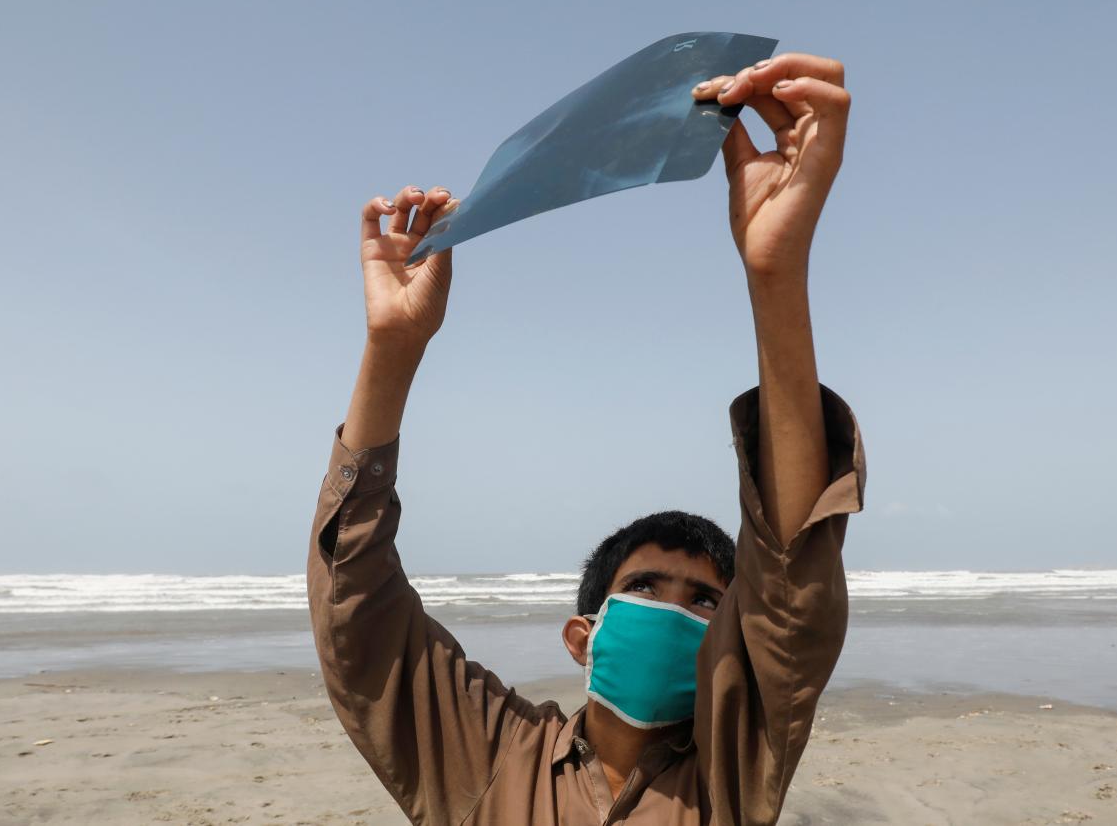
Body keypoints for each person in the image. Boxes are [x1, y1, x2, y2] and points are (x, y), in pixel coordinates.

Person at [307, 52, 865, 825]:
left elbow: (792, 573)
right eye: (643, 588)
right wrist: (392, 350)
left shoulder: (732, 768)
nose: (674, 609)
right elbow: (358, 619)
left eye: (705, 600)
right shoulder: (491, 755)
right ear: (582, 634)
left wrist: (776, 270)